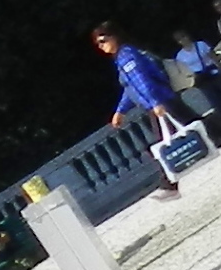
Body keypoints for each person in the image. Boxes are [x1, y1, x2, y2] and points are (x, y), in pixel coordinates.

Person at [92, 21, 221, 196]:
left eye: (103, 40)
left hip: (161, 102)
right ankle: (168, 184)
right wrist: (121, 110)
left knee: (165, 141)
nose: (102, 46)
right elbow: (130, 89)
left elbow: (142, 82)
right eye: (98, 43)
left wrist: (154, 102)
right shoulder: (123, 57)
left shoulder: (127, 56)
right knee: (194, 124)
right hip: (162, 100)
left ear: (115, 36)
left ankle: (168, 184)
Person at [173, 28, 221, 114]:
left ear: (188, 36)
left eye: (184, 37)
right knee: (215, 101)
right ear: (178, 42)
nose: (183, 40)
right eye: (180, 39)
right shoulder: (180, 56)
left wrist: (219, 66)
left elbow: (213, 57)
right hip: (200, 78)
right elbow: (184, 71)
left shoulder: (201, 44)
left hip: (213, 71)